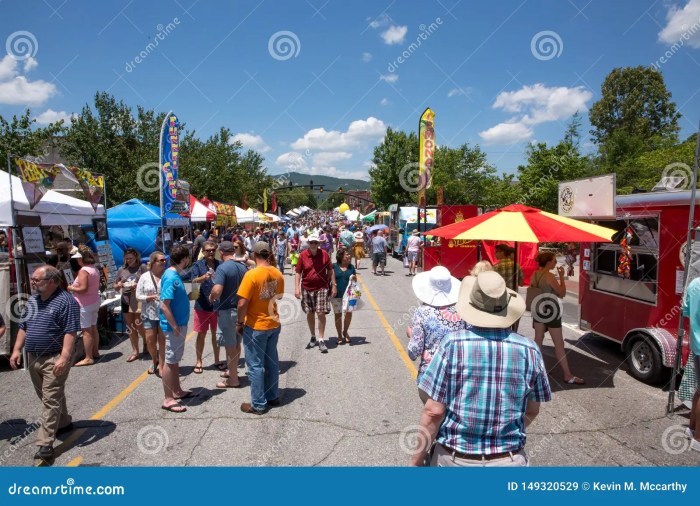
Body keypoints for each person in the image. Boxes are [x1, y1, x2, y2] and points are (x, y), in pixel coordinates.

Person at [409, 271, 552, 467]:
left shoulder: (453, 344)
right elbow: (533, 409)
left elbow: (434, 412)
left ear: (471, 304)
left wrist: (415, 462)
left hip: (456, 458)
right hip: (509, 460)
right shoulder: (529, 349)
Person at [9, 266, 80, 462]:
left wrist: (64, 358)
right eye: (33, 279)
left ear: (51, 282)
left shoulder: (66, 301)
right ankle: (64, 423)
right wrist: (16, 350)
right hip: (34, 357)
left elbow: (70, 331)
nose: (32, 282)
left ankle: (44, 444)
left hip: (54, 357)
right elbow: (24, 327)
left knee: (50, 398)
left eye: (36, 279)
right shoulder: (33, 300)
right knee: (48, 395)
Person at [237, 241, 285, 414]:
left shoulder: (252, 275)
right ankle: (272, 395)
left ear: (254, 255)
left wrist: (239, 322)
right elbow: (278, 297)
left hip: (256, 325)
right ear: (269, 254)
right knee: (271, 361)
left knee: (255, 365)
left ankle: (258, 403)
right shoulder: (277, 273)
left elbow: (242, 302)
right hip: (273, 323)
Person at [407, 266, 468, 403]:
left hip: (430, 375)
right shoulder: (463, 311)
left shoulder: (422, 312)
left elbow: (413, 351)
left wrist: (411, 334)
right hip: (459, 372)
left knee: (433, 417)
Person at [530, 251, 584, 385]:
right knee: (559, 344)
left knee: (538, 341)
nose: (555, 263)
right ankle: (567, 375)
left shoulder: (535, 274)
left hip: (538, 308)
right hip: (550, 310)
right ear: (548, 263)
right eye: (554, 261)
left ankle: (536, 371)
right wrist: (561, 276)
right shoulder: (550, 276)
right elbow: (562, 293)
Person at [159, 245, 194, 413]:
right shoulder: (171, 276)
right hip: (175, 326)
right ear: (185, 259)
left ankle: (177, 390)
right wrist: (174, 326)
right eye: (188, 258)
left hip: (179, 324)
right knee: (170, 361)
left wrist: (187, 298)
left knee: (175, 360)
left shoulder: (174, 275)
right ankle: (168, 398)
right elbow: (164, 305)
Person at [209, 241, 248, 388]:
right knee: (236, 343)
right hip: (240, 310)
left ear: (221, 252)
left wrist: (212, 297)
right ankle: (232, 372)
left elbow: (217, 290)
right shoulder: (242, 267)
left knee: (230, 346)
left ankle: (233, 380)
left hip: (227, 310)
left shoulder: (222, 268)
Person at [295, 234, 336, 353]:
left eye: (315, 243)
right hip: (307, 287)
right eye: (311, 242)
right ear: (308, 243)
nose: (313, 244)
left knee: (321, 312)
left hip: (322, 287)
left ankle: (321, 339)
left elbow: (330, 270)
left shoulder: (324, 254)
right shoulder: (303, 255)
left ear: (319, 244)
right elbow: (298, 272)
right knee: (310, 312)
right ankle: (313, 336)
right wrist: (297, 288)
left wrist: (333, 285)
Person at [187, 240, 222, 374]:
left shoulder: (220, 265)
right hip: (201, 305)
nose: (211, 252)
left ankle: (217, 360)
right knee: (201, 334)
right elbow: (193, 281)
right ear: (203, 251)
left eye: (213, 250)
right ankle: (199, 361)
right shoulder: (198, 265)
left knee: (216, 334)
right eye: (208, 250)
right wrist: (203, 277)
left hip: (217, 306)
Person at [68, 250, 101, 367]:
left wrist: (70, 288)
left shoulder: (84, 270)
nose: (77, 261)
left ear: (82, 259)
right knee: (93, 328)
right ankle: (95, 351)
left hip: (85, 304)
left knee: (86, 331)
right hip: (94, 301)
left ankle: (88, 357)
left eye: (78, 259)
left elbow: (83, 289)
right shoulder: (94, 269)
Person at [136, 251, 167, 376]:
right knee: (150, 340)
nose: (164, 262)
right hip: (149, 313)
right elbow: (138, 295)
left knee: (163, 340)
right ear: (153, 262)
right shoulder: (144, 277)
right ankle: (154, 360)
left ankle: (161, 363)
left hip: (164, 313)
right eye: (161, 260)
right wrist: (149, 297)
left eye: (165, 260)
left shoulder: (167, 275)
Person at [115, 248, 147, 362]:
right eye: (126, 258)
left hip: (137, 299)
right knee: (130, 326)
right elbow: (115, 285)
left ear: (136, 258)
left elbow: (148, 282)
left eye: (131, 258)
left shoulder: (142, 268)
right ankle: (135, 351)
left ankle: (147, 342)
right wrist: (119, 285)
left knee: (138, 324)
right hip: (126, 299)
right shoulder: (121, 269)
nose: (128, 260)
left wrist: (137, 285)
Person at [682, 276, 700, 452]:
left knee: (699, 390)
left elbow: (685, 310)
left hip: (696, 343)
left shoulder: (694, 283)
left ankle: (692, 428)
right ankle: (698, 439)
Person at [332, 249, 356, 345]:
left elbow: (355, 281)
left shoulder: (351, 267)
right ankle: (339, 335)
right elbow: (329, 278)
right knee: (338, 315)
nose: (349, 256)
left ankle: (345, 331)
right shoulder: (334, 266)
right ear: (341, 257)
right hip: (337, 294)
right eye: (347, 255)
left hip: (349, 296)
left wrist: (354, 279)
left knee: (349, 314)